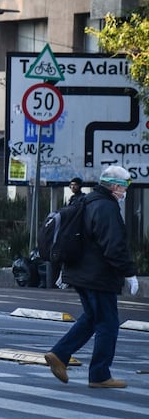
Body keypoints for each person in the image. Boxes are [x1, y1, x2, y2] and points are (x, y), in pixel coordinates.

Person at [44, 165, 139, 389]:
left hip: (80, 273)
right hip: (98, 276)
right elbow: (113, 246)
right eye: (124, 188)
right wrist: (129, 272)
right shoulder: (106, 207)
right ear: (115, 186)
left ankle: (59, 354)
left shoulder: (86, 201)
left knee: (91, 318)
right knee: (108, 323)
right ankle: (99, 374)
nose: (125, 193)